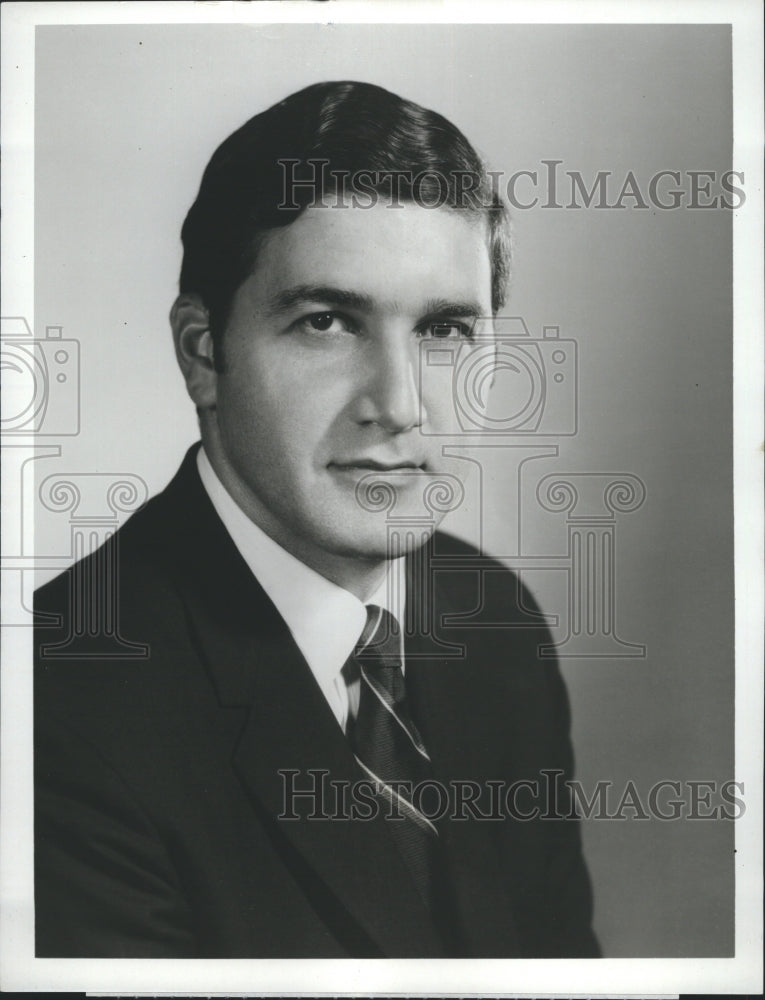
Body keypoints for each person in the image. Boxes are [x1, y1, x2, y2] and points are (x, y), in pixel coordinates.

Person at [34, 80, 599, 958]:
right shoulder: (55, 707)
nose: (401, 404)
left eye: (444, 331)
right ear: (202, 352)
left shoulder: (496, 619)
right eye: (327, 322)